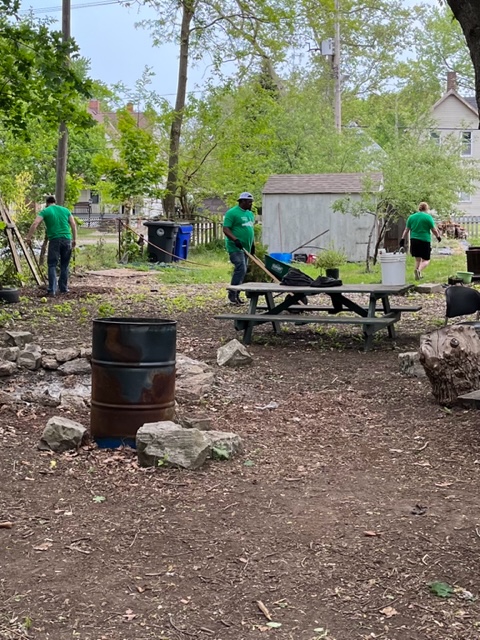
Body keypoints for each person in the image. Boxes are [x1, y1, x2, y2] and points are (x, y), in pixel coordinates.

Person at [26, 196, 77, 295]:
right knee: (65, 265)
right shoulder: (65, 210)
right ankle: (63, 288)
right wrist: (74, 239)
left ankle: (52, 290)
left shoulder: (45, 211)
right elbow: (73, 224)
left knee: (52, 264)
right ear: (55, 202)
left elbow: (35, 223)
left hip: (55, 240)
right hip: (67, 239)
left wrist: (29, 237)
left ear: (47, 203)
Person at [223, 192, 255, 305]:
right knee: (241, 268)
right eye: (249, 202)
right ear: (242, 201)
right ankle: (232, 294)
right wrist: (235, 240)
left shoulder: (250, 214)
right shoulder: (232, 213)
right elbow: (226, 229)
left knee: (243, 270)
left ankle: (237, 294)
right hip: (235, 247)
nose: (251, 204)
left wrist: (253, 245)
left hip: (246, 248)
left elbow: (250, 230)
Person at [400, 202, 441, 281]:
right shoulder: (428, 217)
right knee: (426, 260)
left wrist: (402, 239)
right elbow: (433, 230)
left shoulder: (411, 217)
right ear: (426, 208)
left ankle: (417, 276)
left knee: (417, 259)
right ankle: (418, 270)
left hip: (414, 240)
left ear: (419, 208)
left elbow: (406, 229)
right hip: (424, 240)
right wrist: (438, 237)